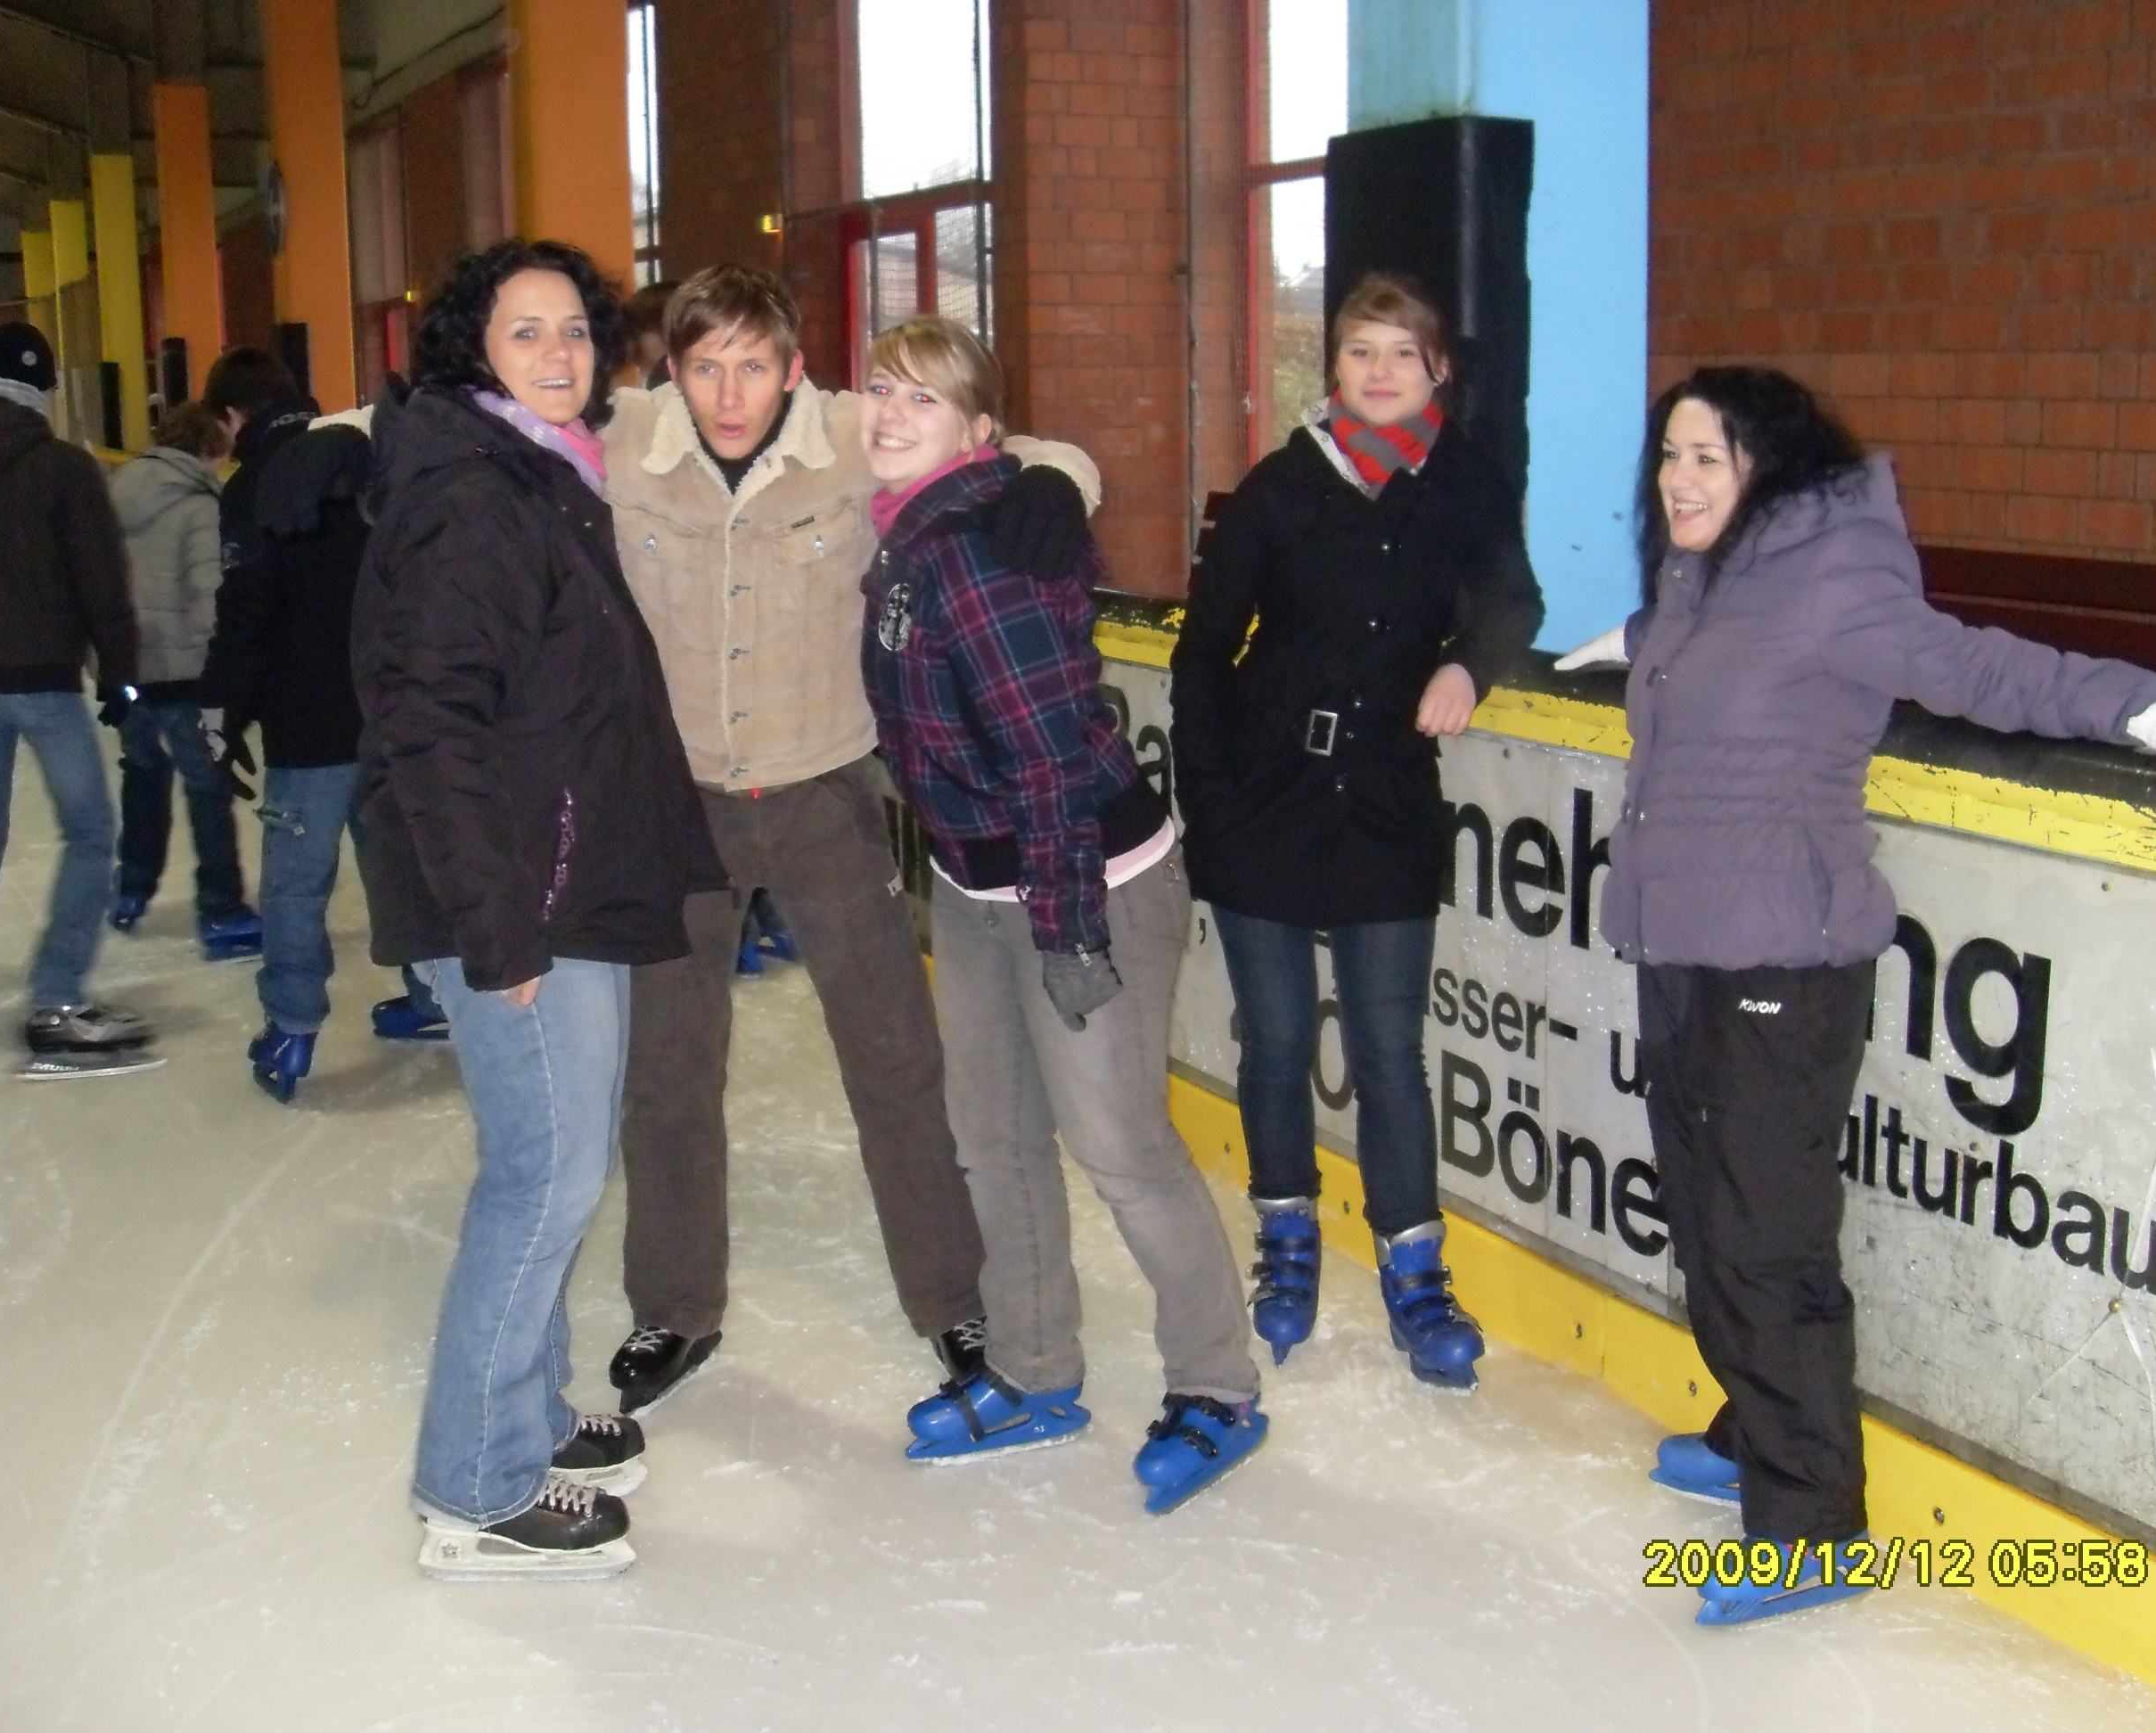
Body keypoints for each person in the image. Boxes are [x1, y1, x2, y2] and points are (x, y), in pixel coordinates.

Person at [1551, 365, 2156, 1626]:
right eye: (1671, 457)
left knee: (1766, 1239)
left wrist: (2131, 703)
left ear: (1770, 468)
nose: (1680, 481)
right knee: (1703, 1217)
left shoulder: (1832, 578)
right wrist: (1632, 641)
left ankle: (1812, 1527)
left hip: (1782, 966)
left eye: (1709, 458)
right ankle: (1756, 1429)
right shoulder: (1702, 582)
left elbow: (1969, 667)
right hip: (1681, 947)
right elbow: (1707, 657)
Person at [600, 264, 1098, 1415]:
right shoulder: (623, 442)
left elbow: (1024, 448)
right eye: (706, 367)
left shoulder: (844, 435)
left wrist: (1052, 486)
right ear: (673, 369)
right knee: (670, 1070)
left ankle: (955, 1295)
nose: (732, 394)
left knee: (895, 1058)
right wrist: (315, 446)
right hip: (677, 804)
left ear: (794, 368)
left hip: (824, 792)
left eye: (755, 366)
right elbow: (458, 418)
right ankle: (674, 1305)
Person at [355, 239, 725, 1579]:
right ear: (474, 349)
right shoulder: (475, 499)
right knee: (544, 1177)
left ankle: (527, 1414)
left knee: (558, 1167)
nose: (559, 353)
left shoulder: (540, 472)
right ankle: (476, 1482)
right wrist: (497, 928)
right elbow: (430, 726)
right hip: (517, 898)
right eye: (526, 332)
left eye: (574, 329)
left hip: (559, 878)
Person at [859, 315, 1267, 1514]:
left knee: (1120, 1148)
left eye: (923, 399)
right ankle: (1036, 1370)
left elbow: (1044, 757)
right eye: (881, 388)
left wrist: (1070, 928)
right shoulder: (902, 535)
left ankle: (1218, 1383)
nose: (890, 413)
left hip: (1085, 875)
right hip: (978, 880)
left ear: (977, 431)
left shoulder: (976, 550)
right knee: (991, 1137)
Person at [1169, 273, 1542, 1389]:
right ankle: (1286, 1242)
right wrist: (1210, 803)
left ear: (1438, 371)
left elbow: (1512, 600)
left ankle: (1415, 1276)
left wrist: (1469, 666)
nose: (1380, 372)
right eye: (1361, 352)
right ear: (1333, 367)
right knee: (1278, 1039)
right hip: (1266, 799)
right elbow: (1204, 652)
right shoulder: (1282, 488)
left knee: (1389, 1049)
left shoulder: (1464, 483)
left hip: (1385, 799)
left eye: (1402, 353)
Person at [198, 350, 438, 1101]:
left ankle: (291, 1028)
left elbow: (245, 611)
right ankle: (434, 996)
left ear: (233, 415)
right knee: (399, 864)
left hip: (305, 727)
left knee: (297, 887)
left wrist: (222, 714)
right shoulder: (364, 461)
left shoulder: (251, 489)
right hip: (386, 711)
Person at [0, 321, 160, 1079]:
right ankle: (56, 999)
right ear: (43, 390)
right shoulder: (63, 468)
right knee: (89, 833)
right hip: (44, 681)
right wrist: (120, 675)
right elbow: (101, 580)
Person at [104, 400, 258, 952]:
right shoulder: (199, 507)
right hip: (187, 675)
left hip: (128, 670)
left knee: (143, 775)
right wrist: (229, 669)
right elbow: (210, 598)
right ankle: (222, 907)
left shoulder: (116, 493)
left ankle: (131, 888)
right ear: (208, 449)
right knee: (207, 788)